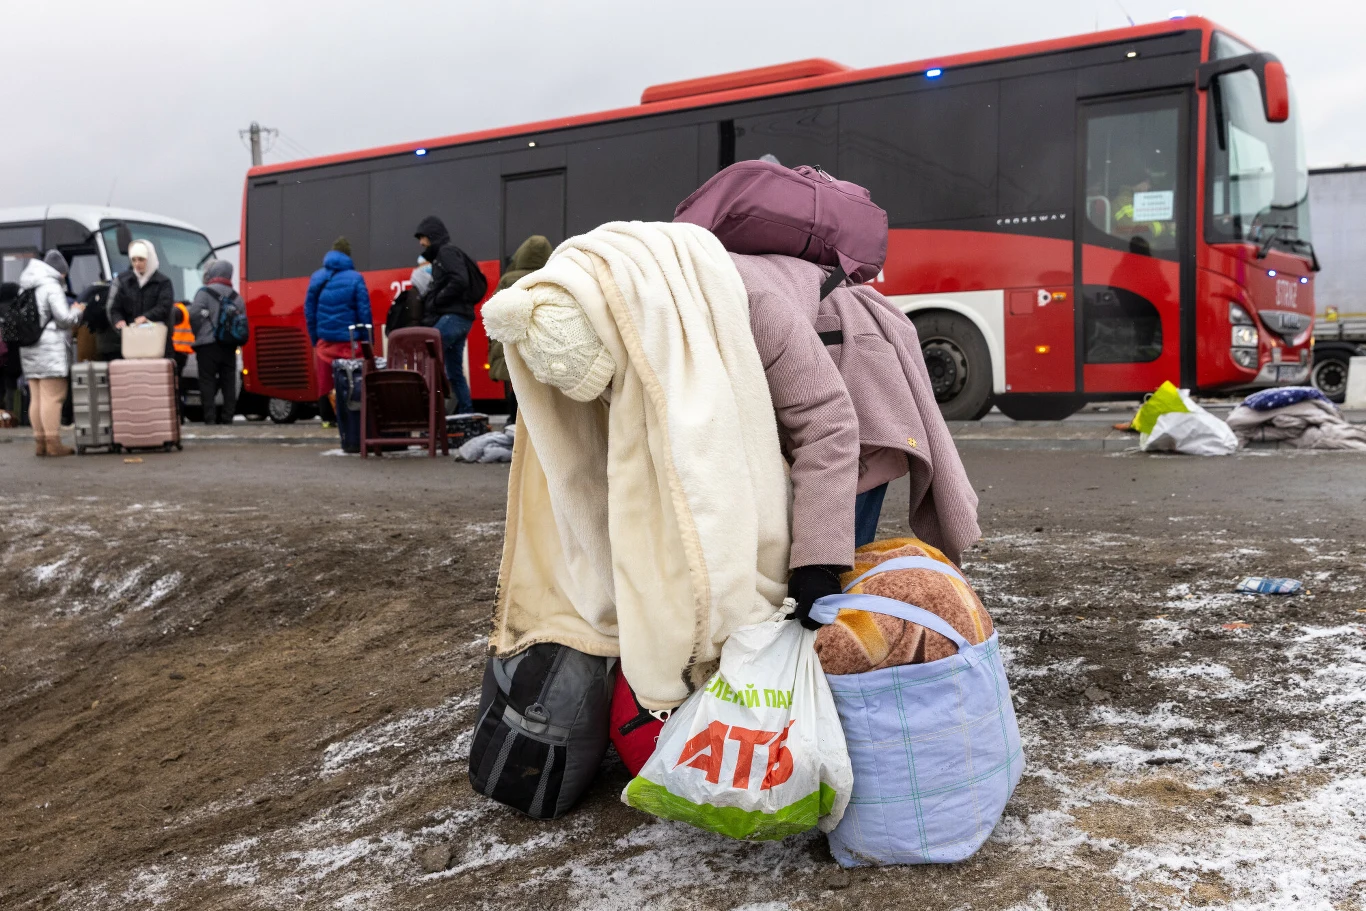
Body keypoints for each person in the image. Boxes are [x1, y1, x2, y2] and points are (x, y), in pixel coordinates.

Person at [414, 216, 486, 415]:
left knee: (427, 360)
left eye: (423, 238)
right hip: (461, 318)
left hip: (454, 317)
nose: (421, 243)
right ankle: (466, 415)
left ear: (432, 236)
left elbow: (460, 280)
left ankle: (432, 415)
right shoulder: (443, 254)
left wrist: (438, 300)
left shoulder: (446, 252)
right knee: (454, 372)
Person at [19, 250, 84, 456]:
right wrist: (77, 310)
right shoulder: (51, 286)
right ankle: (53, 443)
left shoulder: (26, 286)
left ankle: (41, 443)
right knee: (53, 397)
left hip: (29, 345)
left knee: (36, 397)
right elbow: (64, 319)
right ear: (60, 271)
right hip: (50, 348)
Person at [304, 237, 372, 423]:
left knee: (326, 380)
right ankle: (351, 417)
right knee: (351, 379)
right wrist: (367, 340)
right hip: (349, 340)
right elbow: (364, 311)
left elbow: (309, 312)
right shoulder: (356, 278)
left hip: (325, 339)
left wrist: (314, 339)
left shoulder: (317, 277)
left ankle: (327, 419)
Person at [489, 235, 552, 422]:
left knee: (516, 386)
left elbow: (495, 313)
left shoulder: (509, 279)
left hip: (513, 342)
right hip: (541, 343)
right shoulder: (550, 277)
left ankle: (513, 423)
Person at [189, 260, 240, 424]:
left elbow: (194, 315)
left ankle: (209, 418)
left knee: (207, 381)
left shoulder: (203, 293)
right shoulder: (237, 297)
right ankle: (228, 417)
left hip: (207, 346)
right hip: (229, 345)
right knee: (229, 382)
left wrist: (200, 333)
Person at [108, 239, 175, 357]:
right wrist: (118, 320)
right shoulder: (126, 282)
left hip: (158, 343)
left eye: (141, 259)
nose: (137, 264)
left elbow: (164, 307)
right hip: (133, 343)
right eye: (133, 260)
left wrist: (146, 317)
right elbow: (115, 308)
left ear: (149, 259)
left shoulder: (163, 282)